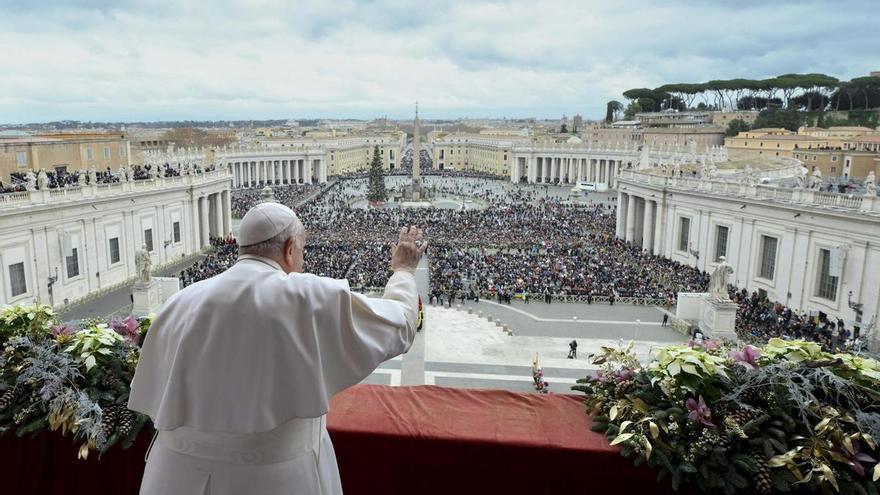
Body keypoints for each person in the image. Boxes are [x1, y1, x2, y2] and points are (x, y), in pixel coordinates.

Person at [128, 202, 427, 495]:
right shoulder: (306, 295)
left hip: (174, 476)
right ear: (289, 249)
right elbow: (400, 324)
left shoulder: (179, 302)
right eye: (302, 251)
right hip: (274, 479)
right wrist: (403, 270)